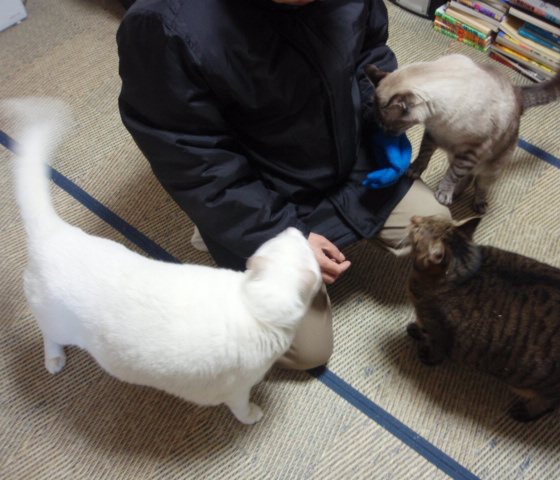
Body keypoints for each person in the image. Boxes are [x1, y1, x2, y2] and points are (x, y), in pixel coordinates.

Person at [116, 0, 450, 370]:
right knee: (308, 352)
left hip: (351, 163)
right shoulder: (163, 27)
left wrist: (381, 115)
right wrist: (280, 235)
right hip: (261, 193)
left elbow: (369, 49)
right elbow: (195, 162)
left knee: (440, 229)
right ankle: (221, 238)